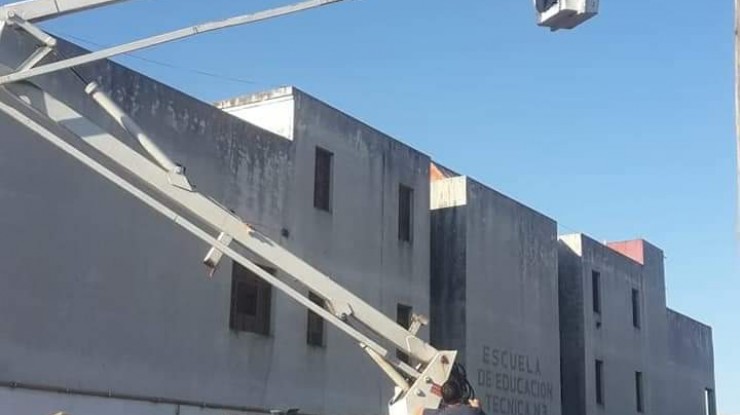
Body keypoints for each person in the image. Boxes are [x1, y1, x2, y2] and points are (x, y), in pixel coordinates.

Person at [419, 380, 486, 415]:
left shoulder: (441, 413)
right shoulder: (472, 411)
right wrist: (477, 407)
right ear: (460, 394)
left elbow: (418, 412)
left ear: (443, 398)